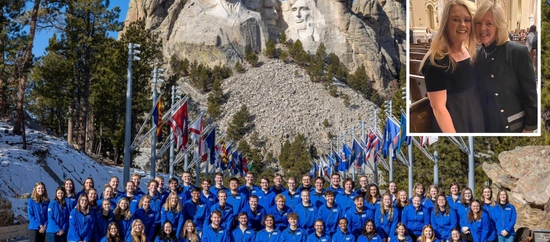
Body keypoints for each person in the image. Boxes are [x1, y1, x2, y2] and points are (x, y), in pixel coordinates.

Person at [419, 0, 484, 133]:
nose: (463, 25)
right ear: (445, 24)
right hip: (456, 124)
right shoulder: (437, 62)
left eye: (467, 20)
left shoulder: (469, 52)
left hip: (475, 119)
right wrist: (456, 140)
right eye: (456, 19)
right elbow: (439, 108)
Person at [474, 1, 537, 133]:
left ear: (499, 26)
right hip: (486, 127)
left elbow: (530, 94)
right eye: (478, 23)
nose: (482, 28)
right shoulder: (476, 55)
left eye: (489, 23)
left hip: (513, 127)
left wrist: (529, 128)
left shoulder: (517, 52)